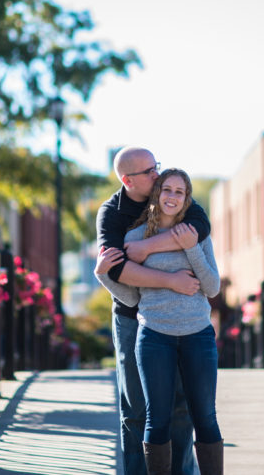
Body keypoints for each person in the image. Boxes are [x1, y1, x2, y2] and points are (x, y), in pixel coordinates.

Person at [97, 168, 223, 475]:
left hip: (198, 334)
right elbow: (129, 295)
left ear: (187, 198)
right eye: (166, 189)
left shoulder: (196, 232)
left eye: (179, 192)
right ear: (156, 193)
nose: (171, 196)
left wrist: (191, 247)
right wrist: (102, 275)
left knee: (203, 415)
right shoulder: (131, 234)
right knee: (154, 417)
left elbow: (212, 286)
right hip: (154, 335)